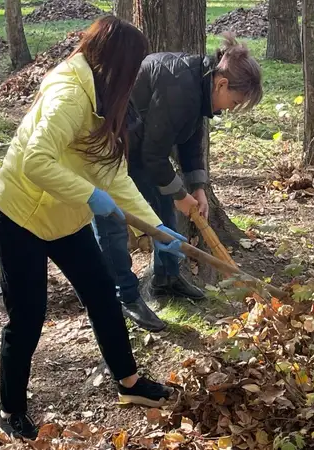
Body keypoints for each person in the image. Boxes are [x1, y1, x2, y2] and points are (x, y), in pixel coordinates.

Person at [0, 16, 181, 440]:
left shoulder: (103, 96)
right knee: (29, 316)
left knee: (102, 293)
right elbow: (37, 160)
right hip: (19, 214)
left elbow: (114, 175)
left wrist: (158, 229)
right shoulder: (70, 93)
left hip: (64, 217)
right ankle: (10, 410)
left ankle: (129, 384)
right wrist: (90, 196)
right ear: (116, 63)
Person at [91, 33, 264, 332]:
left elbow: (190, 141)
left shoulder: (199, 83)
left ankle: (166, 277)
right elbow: (156, 155)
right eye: (234, 102)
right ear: (222, 84)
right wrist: (181, 196)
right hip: (110, 142)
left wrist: (196, 187)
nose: (229, 110)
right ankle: (125, 296)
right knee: (113, 218)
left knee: (162, 210)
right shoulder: (181, 86)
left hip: (140, 146)